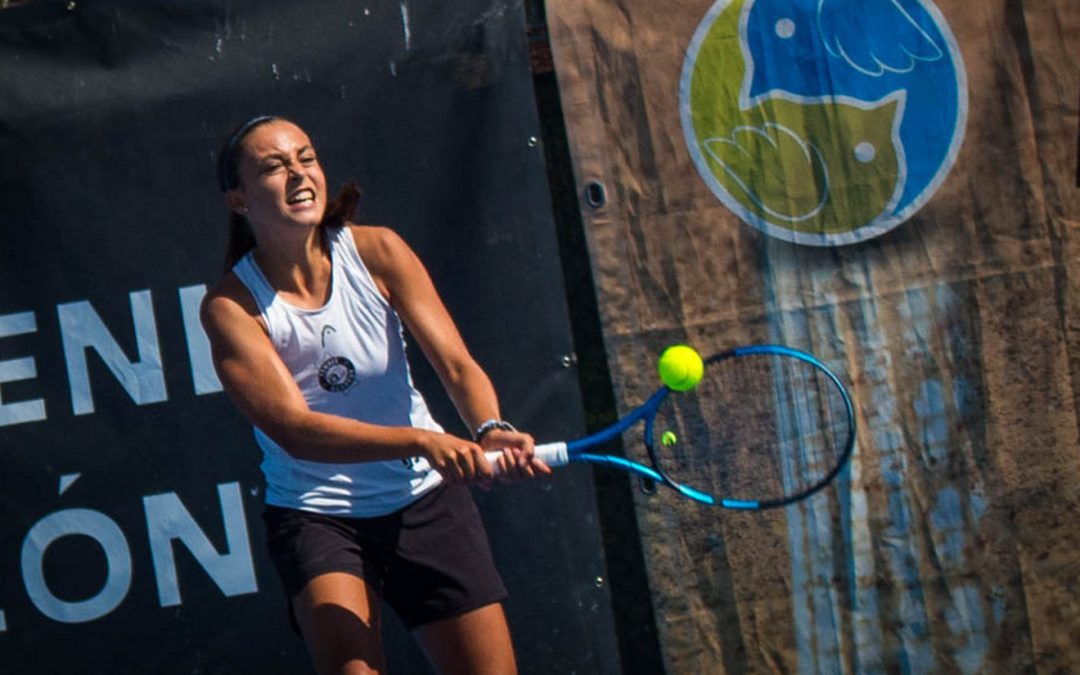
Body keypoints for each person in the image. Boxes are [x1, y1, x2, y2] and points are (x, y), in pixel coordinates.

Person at [200, 115, 550, 675]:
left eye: (306, 157)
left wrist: (489, 429)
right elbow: (296, 431)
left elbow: (457, 366)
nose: (298, 173)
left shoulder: (379, 251)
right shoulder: (230, 307)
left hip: (426, 501)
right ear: (239, 199)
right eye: (273, 166)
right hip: (318, 515)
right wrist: (420, 439)